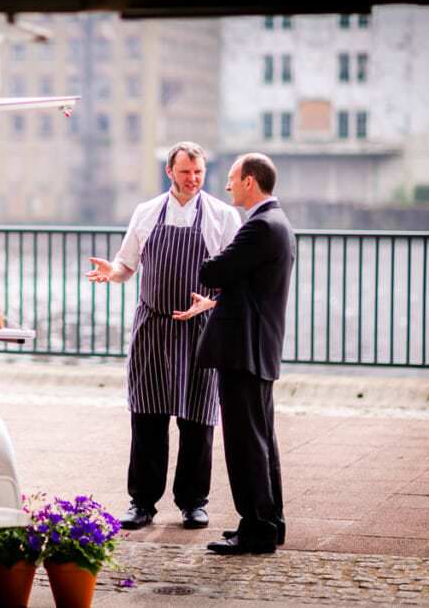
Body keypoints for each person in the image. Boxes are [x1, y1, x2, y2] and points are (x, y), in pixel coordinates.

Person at [86, 141, 241, 531]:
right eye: (186, 172)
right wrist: (113, 271)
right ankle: (142, 503)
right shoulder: (146, 212)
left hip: (201, 330)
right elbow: (127, 265)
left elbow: (235, 280)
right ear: (170, 172)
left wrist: (210, 303)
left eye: (199, 173)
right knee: (147, 418)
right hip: (153, 327)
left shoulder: (222, 216)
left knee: (197, 421)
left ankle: (193, 503)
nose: (193, 180)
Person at [179, 153, 295, 555]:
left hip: (243, 350)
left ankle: (256, 529)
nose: (226, 186)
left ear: (250, 180)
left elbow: (212, 272)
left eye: (231, 178)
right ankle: (270, 522)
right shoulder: (278, 224)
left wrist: (217, 269)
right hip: (258, 346)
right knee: (261, 440)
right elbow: (248, 286)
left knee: (246, 443)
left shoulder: (259, 226)